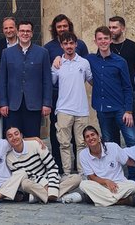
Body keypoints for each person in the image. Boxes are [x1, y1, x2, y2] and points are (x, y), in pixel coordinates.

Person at [86, 26, 135, 179]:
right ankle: (114, 176)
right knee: (108, 144)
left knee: (132, 141)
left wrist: (129, 110)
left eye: (106, 38)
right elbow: (72, 55)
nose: (103, 41)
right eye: (100, 39)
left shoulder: (120, 61)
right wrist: (58, 58)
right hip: (102, 110)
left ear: (110, 40)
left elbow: (128, 87)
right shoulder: (90, 59)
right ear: (95, 41)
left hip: (121, 109)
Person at [43, 14, 89, 174]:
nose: (62, 29)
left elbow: (89, 76)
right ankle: (64, 170)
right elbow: (48, 79)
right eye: (59, 27)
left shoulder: (82, 52)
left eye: (65, 26)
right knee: (61, 140)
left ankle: (81, 171)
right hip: (59, 101)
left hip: (79, 103)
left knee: (80, 141)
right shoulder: (49, 49)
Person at [0, 20, 52, 138]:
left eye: (28, 31)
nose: (25, 33)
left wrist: (47, 103)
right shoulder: (7, 53)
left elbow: (47, 80)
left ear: (32, 33)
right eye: (22, 31)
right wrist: (3, 103)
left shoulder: (42, 53)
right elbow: (2, 80)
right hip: (13, 105)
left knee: (32, 138)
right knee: (13, 138)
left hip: (34, 104)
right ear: (17, 32)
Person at [50, 32, 92, 174]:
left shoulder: (84, 63)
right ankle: (67, 173)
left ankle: (82, 173)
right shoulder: (57, 64)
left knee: (82, 144)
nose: (69, 46)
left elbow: (91, 80)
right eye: (65, 43)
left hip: (81, 109)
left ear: (76, 44)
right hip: (63, 109)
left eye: (71, 43)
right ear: (61, 45)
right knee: (64, 144)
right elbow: (51, 82)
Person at [5, 127, 81, 203]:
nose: (14, 137)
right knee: (25, 184)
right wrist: (45, 185)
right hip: (35, 184)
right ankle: (60, 197)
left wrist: (52, 188)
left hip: (51, 179)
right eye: (10, 136)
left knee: (77, 178)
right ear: (7, 140)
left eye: (16, 134)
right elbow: (27, 176)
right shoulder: (9, 158)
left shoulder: (35, 144)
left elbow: (52, 167)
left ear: (21, 136)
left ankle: (40, 196)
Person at [77, 125, 135, 206]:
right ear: (85, 141)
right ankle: (123, 201)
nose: (91, 138)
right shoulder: (83, 154)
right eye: (87, 137)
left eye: (92, 135)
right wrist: (106, 181)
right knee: (83, 184)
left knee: (133, 185)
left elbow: (128, 161)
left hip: (118, 185)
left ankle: (99, 199)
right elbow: (92, 177)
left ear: (99, 137)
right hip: (101, 186)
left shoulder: (113, 147)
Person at [108, 16, 135, 124]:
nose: (111, 30)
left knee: (133, 125)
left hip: (131, 92)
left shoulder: (134, 46)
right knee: (113, 127)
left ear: (122, 28)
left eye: (114, 27)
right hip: (112, 93)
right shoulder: (106, 48)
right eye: (110, 27)